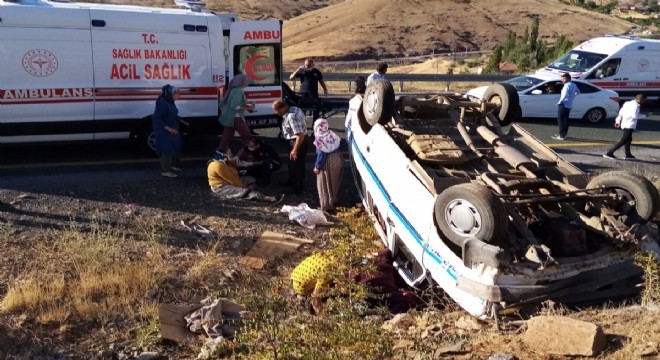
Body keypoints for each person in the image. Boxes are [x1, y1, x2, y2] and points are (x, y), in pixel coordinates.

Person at [207, 147, 283, 203]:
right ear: (224, 155)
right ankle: (270, 199)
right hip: (221, 186)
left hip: (230, 180)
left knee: (251, 179)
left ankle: (252, 190)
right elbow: (232, 180)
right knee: (246, 191)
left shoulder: (225, 161)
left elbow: (234, 171)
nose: (232, 154)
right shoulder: (218, 165)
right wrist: (244, 187)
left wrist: (236, 163)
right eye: (229, 153)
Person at [272, 100, 307, 195]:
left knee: (297, 166)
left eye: (277, 110)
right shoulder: (295, 109)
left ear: (283, 107)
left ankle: (297, 189)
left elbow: (300, 135)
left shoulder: (292, 116)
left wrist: (295, 149)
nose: (277, 113)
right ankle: (291, 182)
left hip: (296, 142)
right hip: (294, 140)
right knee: (292, 164)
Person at [313, 118, 343, 214]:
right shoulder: (331, 134)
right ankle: (333, 201)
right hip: (338, 159)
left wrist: (317, 167)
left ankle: (326, 206)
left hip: (327, 162)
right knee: (333, 183)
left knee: (324, 184)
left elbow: (321, 154)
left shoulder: (319, 138)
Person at [153, 84, 183, 178]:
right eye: (177, 93)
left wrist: (181, 120)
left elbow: (171, 114)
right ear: (170, 94)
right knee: (167, 149)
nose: (179, 94)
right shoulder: (162, 103)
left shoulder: (170, 101)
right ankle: (165, 170)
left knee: (175, 146)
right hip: (163, 130)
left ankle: (172, 165)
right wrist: (168, 128)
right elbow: (156, 118)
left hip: (172, 128)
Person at [603, 94, 646, 160]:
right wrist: (644, 116)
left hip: (624, 124)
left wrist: (617, 121)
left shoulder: (627, 103)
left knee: (628, 140)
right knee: (623, 141)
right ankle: (610, 153)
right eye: (644, 100)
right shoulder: (636, 106)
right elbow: (634, 116)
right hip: (630, 125)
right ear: (641, 100)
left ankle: (628, 154)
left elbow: (621, 112)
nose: (644, 102)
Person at [218, 74, 255, 152]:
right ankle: (247, 152)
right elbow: (234, 106)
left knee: (226, 137)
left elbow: (235, 102)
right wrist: (248, 107)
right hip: (236, 117)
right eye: (246, 80)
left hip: (230, 118)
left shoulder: (233, 89)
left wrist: (248, 102)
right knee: (246, 135)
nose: (248, 81)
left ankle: (220, 152)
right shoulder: (238, 91)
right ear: (242, 82)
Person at [552, 73, 580, 140]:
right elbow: (578, 92)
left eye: (564, 78)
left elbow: (564, 95)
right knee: (566, 120)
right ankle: (564, 134)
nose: (562, 80)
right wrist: (572, 97)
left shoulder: (566, 86)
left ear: (568, 78)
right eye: (562, 78)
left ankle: (561, 136)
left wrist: (559, 102)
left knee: (560, 120)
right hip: (569, 104)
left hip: (563, 104)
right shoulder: (573, 84)